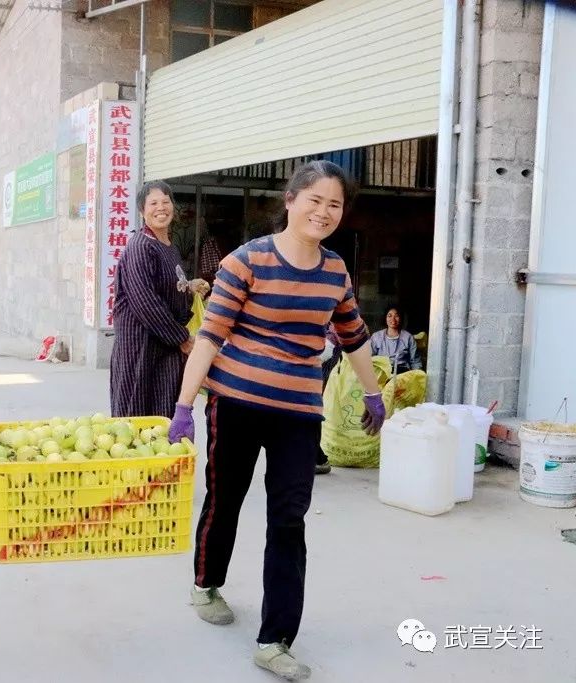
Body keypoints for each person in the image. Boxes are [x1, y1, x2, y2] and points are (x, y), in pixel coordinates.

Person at [167, 161, 386, 680]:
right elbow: (211, 336)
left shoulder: (334, 271)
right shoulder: (246, 261)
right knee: (226, 499)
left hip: (298, 413)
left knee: (289, 520)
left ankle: (275, 639)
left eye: (335, 204)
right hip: (236, 404)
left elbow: (352, 335)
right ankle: (206, 582)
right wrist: (183, 404)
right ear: (290, 200)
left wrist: (374, 392)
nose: (324, 212)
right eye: (315, 200)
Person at [109, 180, 209, 417]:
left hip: (165, 351)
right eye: (153, 203)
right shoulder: (141, 247)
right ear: (142, 211)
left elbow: (167, 287)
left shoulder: (167, 246)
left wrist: (189, 286)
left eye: (166, 202)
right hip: (140, 350)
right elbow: (146, 303)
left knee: (162, 418)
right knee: (136, 419)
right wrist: (182, 338)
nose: (161, 207)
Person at [314, 323, 343, 475]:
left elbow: (325, 352)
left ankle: (318, 459)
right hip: (311, 377)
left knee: (311, 416)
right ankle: (317, 458)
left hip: (316, 376)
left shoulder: (333, 327)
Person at [370, 306, 422, 375]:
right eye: (389, 316)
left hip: (402, 374)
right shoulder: (376, 336)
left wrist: (417, 376)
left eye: (396, 316)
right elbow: (370, 358)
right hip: (382, 373)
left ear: (401, 318)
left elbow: (415, 361)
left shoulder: (408, 337)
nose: (393, 319)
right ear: (385, 318)